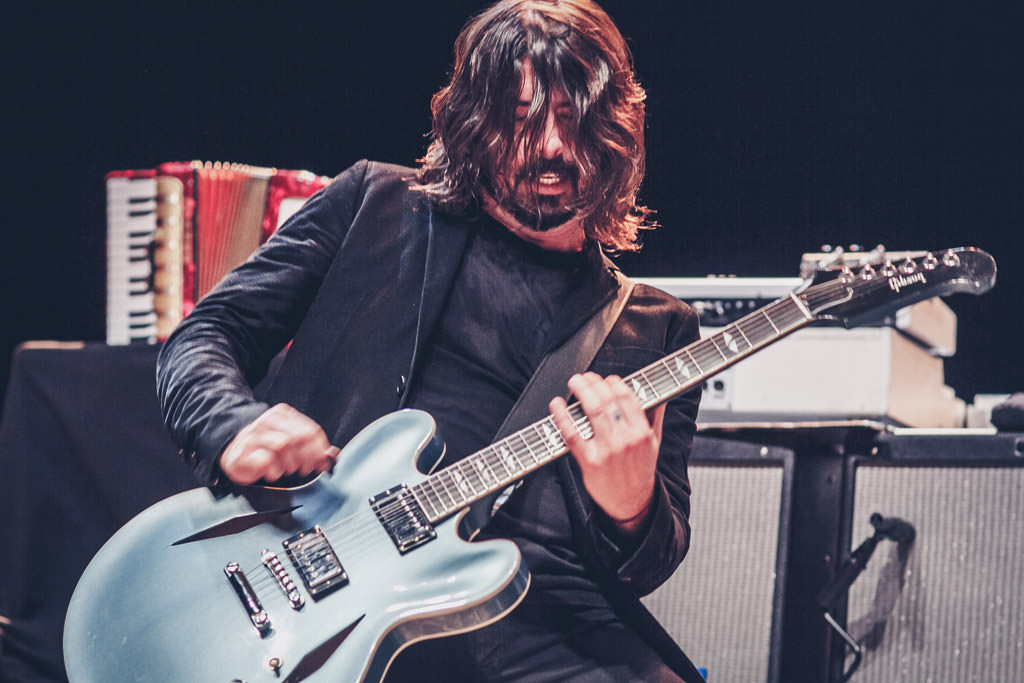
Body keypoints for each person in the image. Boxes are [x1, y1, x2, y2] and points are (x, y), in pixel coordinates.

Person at [156, 1, 703, 681]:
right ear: (473, 122)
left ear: (619, 131)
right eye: (522, 118)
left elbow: (651, 562)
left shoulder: (656, 326)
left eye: (573, 120)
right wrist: (232, 423)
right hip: (334, 586)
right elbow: (208, 334)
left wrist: (632, 508)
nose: (554, 147)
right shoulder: (374, 205)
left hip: (540, 626)